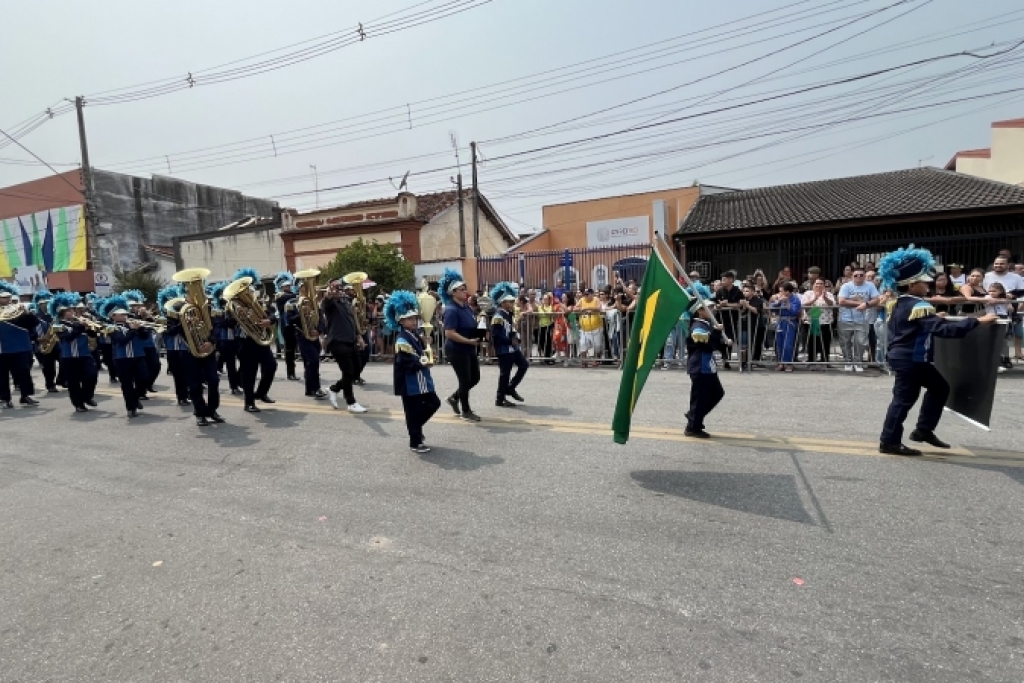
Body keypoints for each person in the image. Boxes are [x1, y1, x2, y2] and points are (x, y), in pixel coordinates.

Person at [877, 246, 998, 456]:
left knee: (936, 389)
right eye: (923, 282)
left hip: (905, 357)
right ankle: (890, 441)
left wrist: (934, 318)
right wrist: (977, 321)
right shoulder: (918, 305)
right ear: (911, 285)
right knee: (905, 399)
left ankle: (922, 431)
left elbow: (915, 325)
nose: (928, 285)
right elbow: (943, 330)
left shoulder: (897, 302)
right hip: (911, 359)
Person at [382, 291, 440, 453]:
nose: (413, 321)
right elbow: (406, 362)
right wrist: (424, 362)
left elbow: (421, 353)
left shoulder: (414, 335)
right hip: (410, 383)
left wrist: (427, 348)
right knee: (413, 410)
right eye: (409, 318)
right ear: (400, 321)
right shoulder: (402, 339)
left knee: (433, 403)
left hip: (421, 380)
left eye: (414, 318)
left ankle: (414, 428)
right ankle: (415, 440)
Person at [227, 268, 279, 414]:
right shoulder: (232, 305)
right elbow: (227, 322)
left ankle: (261, 393)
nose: (248, 293)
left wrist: (269, 321)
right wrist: (238, 316)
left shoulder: (259, 302)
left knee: (271, 366)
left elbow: (273, 315)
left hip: (261, 341)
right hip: (245, 343)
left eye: (249, 290)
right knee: (249, 373)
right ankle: (249, 403)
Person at [684, 284, 728, 439]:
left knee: (717, 393)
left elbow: (713, 344)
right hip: (700, 366)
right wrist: (716, 332)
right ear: (699, 311)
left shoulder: (706, 324)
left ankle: (694, 416)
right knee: (700, 398)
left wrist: (721, 337)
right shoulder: (697, 327)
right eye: (707, 308)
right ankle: (693, 427)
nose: (712, 309)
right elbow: (707, 346)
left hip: (708, 366)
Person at [440, 268, 482, 421]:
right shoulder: (451, 310)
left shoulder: (467, 307)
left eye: (465, 288)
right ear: (453, 292)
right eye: (461, 289)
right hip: (456, 349)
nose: (465, 291)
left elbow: (470, 326)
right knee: (465, 380)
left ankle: (454, 398)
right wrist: (468, 341)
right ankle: (466, 411)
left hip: (468, 347)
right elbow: (449, 333)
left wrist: (480, 334)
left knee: (475, 378)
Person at [102, 296, 154, 419]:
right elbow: (122, 340)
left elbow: (144, 337)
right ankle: (131, 408)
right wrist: (133, 330)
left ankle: (135, 399)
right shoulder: (111, 328)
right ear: (113, 316)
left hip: (138, 355)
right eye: (121, 314)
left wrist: (142, 329)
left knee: (143, 379)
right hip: (122, 358)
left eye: (125, 313)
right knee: (127, 384)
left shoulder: (131, 324)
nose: (125, 315)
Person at [321, 277, 367, 413]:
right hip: (338, 341)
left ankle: (334, 389)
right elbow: (326, 304)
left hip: (351, 340)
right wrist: (329, 295)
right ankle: (351, 402)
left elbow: (352, 321)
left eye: (340, 286)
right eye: (335, 287)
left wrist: (359, 336)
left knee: (356, 371)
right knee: (347, 372)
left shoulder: (346, 301)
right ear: (329, 288)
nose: (339, 289)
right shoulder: (330, 303)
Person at [50, 292, 98, 414]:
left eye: (72, 310)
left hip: (85, 354)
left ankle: (87, 396)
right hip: (69, 357)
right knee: (74, 382)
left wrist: (91, 328)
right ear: (62, 313)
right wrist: (80, 326)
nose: (72, 312)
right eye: (68, 311)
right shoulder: (58, 325)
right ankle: (78, 404)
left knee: (92, 376)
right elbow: (69, 337)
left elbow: (93, 335)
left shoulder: (79, 322)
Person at [287, 269, 328, 400]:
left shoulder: (315, 303)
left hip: (314, 336)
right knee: (313, 361)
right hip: (302, 336)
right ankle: (316, 388)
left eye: (308, 286)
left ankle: (309, 389)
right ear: (299, 289)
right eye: (304, 287)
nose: (307, 289)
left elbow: (322, 320)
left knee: (309, 363)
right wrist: (301, 313)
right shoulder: (292, 303)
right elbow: (288, 321)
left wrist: (319, 330)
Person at [0, 283, 40, 408]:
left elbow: (34, 323)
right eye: (4, 297)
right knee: (2, 375)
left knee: (24, 372)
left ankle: (26, 395)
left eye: (8, 297)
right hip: (2, 348)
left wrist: (27, 313)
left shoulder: (17, 310)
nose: (7, 299)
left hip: (20, 346)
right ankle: (5, 399)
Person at [490, 282, 529, 408]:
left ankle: (510, 388)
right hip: (504, 349)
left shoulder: (508, 314)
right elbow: (496, 336)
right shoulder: (498, 316)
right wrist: (509, 341)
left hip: (513, 348)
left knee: (524, 365)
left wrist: (516, 338)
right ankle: (500, 398)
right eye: (510, 301)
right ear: (502, 303)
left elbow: (510, 330)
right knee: (505, 374)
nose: (513, 303)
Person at [837, 267, 880, 372]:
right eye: (856, 275)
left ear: (864, 276)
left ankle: (858, 362)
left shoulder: (870, 285)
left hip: (863, 319)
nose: (859, 277)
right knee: (845, 342)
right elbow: (841, 301)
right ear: (852, 276)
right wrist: (861, 303)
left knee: (861, 342)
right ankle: (848, 361)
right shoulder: (846, 286)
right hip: (845, 319)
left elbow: (876, 299)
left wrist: (866, 304)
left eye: (861, 275)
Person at [123, 290, 161, 397]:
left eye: (137, 305)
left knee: (155, 366)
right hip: (139, 346)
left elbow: (153, 325)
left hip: (149, 344)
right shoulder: (128, 317)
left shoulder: (145, 315)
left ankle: (148, 384)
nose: (136, 307)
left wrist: (147, 317)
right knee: (141, 370)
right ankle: (141, 391)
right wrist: (139, 317)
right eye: (133, 306)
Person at [210, 282, 242, 396]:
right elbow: (225, 324)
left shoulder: (233, 308)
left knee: (244, 361)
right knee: (230, 365)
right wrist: (234, 317)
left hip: (236, 338)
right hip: (224, 341)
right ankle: (234, 387)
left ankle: (238, 382)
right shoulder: (218, 311)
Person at [800, 278, 835, 367]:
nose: (818, 285)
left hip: (825, 322)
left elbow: (832, 305)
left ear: (824, 285)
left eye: (821, 283)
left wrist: (825, 297)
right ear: (813, 285)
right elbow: (803, 305)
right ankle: (811, 361)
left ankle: (824, 361)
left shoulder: (829, 294)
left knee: (825, 342)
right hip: (811, 322)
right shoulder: (808, 293)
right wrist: (814, 298)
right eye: (817, 283)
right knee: (812, 342)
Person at [31, 290, 60, 393]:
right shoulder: (34, 316)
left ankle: (61, 379)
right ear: (39, 305)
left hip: (57, 343)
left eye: (48, 303)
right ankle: (50, 385)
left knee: (65, 362)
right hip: (43, 344)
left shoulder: (54, 315)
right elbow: (29, 330)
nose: (46, 305)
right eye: (44, 303)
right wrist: (36, 338)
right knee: (48, 367)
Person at [769, 282, 801, 371]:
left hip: (790, 323)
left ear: (787, 291)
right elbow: (771, 308)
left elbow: (795, 311)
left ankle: (789, 363)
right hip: (780, 322)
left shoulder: (795, 299)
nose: (780, 293)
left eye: (782, 291)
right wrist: (778, 302)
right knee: (779, 344)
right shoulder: (779, 298)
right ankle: (781, 363)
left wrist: (787, 302)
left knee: (788, 344)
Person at [273, 272, 299, 381]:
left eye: (289, 285)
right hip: (286, 323)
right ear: (281, 287)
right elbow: (288, 298)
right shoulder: (280, 296)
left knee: (294, 348)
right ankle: (290, 373)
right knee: (289, 349)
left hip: (295, 321)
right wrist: (297, 295)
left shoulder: (293, 295)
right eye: (285, 286)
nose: (288, 287)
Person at [576, 287, 604, 367]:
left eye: (587, 294)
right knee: (582, 344)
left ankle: (596, 360)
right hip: (584, 328)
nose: (585, 296)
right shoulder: (582, 300)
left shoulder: (596, 299)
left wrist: (587, 308)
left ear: (592, 294)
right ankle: (584, 361)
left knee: (597, 346)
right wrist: (581, 309)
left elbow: (599, 308)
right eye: (584, 294)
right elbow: (575, 308)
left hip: (596, 328)